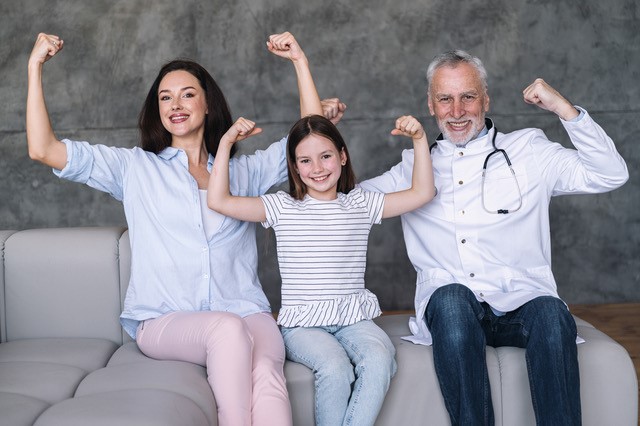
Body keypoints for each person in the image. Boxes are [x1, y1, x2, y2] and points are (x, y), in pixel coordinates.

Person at [26, 31, 337, 426]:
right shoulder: (134, 169)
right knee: (226, 331)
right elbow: (42, 148)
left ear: (208, 104)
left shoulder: (243, 171)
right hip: (165, 320)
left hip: (244, 310)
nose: (175, 104)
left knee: (266, 375)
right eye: (165, 97)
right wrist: (35, 66)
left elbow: (309, 137)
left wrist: (299, 61)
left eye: (188, 94)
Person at [356, 50, 629, 425]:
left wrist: (564, 109)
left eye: (468, 96)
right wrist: (318, 127)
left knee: (551, 313)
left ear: (485, 99)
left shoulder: (529, 149)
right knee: (451, 299)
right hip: (454, 309)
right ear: (430, 104)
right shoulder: (412, 167)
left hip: (523, 298)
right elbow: (345, 204)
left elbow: (610, 174)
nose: (457, 111)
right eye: (445, 99)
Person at [208, 32, 435, 426]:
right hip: (302, 324)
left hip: (352, 317)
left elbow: (422, 192)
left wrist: (419, 141)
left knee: (381, 358)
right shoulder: (282, 207)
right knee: (334, 368)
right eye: (305, 161)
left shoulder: (360, 203)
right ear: (294, 168)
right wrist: (226, 144)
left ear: (343, 157)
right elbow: (220, 201)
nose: (318, 168)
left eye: (326, 156)